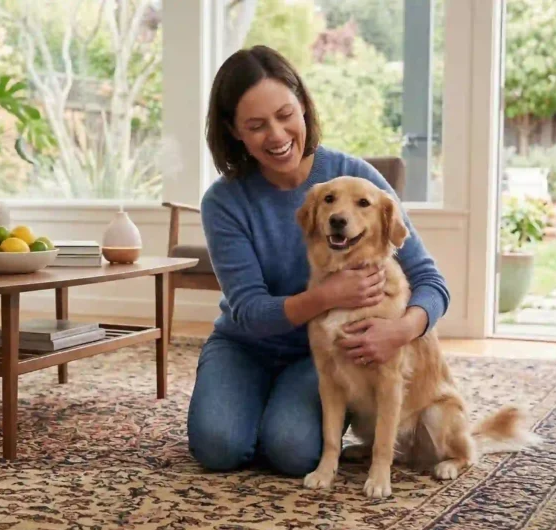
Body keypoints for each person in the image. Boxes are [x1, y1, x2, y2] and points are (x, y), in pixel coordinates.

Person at [187, 46, 450, 476]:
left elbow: (429, 279)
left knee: (291, 452)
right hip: (245, 345)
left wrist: (401, 331)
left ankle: (281, 417)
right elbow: (249, 311)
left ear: (304, 107)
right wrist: (327, 295)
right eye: (256, 126)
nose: (276, 134)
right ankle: (252, 406)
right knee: (219, 449)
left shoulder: (355, 177)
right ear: (234, 131)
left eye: (285, 114)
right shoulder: (224, 201)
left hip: (323, 355)